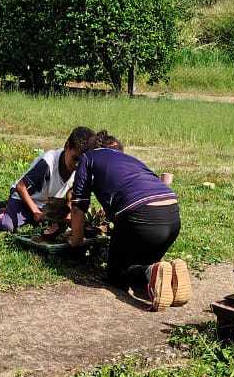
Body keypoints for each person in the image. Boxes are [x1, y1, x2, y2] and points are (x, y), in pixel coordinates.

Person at [68, 131, 189, 311]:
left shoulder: (88, 158)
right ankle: (167, 274)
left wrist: (76, 242)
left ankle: (149, 271)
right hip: (172, 216)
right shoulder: (131, 160)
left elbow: (78, 206)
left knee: (116, 275)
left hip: (140, 216)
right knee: (143, 263)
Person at [0, 126, 95, 232]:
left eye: (81, 162)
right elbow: (20, 186)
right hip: (23, 198)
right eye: (75, 158)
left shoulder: (83, 168)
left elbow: (71, 192)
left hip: (46, 203)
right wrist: (35, 211)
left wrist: (69, 213)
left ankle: (29, 214)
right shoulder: (48, 163)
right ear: (67, 146)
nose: (77, 165)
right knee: (6, 225)